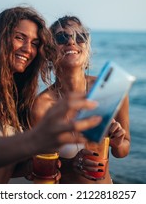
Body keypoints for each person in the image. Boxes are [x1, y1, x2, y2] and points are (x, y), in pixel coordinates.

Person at [0, 7, 102, 184]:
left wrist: (36, 167)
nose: (28, 49)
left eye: (34, 43)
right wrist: (36, 139)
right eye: (20, 37)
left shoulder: (11, 97)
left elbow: (5, 167)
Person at [30, 15, 131, 184]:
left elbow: (121, 152)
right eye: (62, 37)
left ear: (87, 46)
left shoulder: (108, 90)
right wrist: (71, 164)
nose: (72, 42)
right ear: (49, 52)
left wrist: (119, 142)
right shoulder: (42, 105)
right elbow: (44, 168)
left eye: (80, 37)